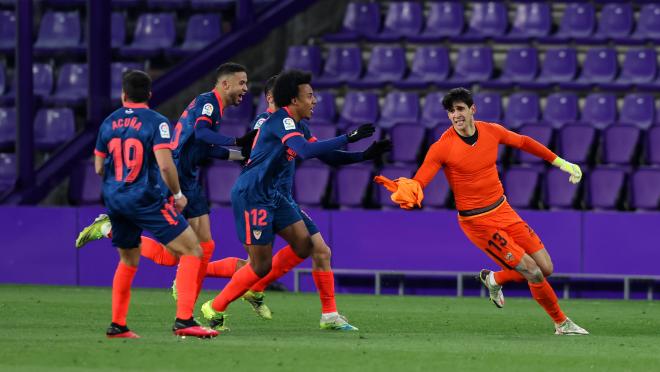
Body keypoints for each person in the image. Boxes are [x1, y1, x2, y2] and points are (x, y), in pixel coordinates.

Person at [375, 87, 589, 336]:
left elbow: (523, 142)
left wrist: (562, 163)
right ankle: (562, 324)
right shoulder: (442, 148)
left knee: (546, 268)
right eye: (451, 111)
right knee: (532, 271)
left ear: (472, 109)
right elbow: (421, 178)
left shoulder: (491, 131)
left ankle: (494, 279)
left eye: (460, 109)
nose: (456, 115)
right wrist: (410, 188)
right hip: (477, 222)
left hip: (503, 209)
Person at [202, 75, 392, 329]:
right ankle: (214, 306)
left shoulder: (298, 126)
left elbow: (325, 155)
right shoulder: (279, 120)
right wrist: (348, 137)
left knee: (306, 246)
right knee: (259, 265)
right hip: (253, 194)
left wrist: (364, 155)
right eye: (310, 96)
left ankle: (326, 314)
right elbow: (305, 151)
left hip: (275, 196)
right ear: (294, 99)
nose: (315, 101)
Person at [77, 63, 257, 307]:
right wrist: (236, 140)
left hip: (187, 176)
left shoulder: (213, 106)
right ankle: (188, 306)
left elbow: (204, 147)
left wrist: (239, 155)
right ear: (225, 84)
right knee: (201, 245)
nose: (245, 88)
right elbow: (203, 134)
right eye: (242, 83)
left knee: (173, 255)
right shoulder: (209, 103)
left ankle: (110, 229)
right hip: (178, 176)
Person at [94, 70, 218, 339]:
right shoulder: (157, 122)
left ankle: (118, 325)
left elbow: (98, 166)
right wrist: (176, 194)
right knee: (193, 250)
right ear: (150, 95)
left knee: (128, 259)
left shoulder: (108, 123)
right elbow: (165, 164)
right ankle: (184, 321)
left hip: (115, 198)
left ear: (123, 94)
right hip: (145, 198)